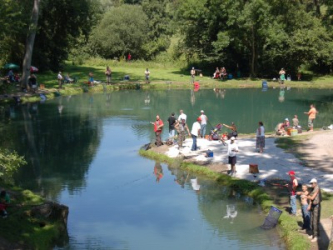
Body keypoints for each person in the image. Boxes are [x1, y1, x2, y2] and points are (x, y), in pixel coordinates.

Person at [307, 178, 321, 242]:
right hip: (313, 206)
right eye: (310, 183)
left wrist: (307, 196)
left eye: (312, 183)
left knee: (315, 221)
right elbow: (310, 197)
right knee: (312, 220)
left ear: (315, 183)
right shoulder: (312, 189)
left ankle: (316, 236)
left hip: (316, 207)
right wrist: (309, 205)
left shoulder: (317, 188)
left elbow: (312, 197)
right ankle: (313, 234)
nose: (311, 185)